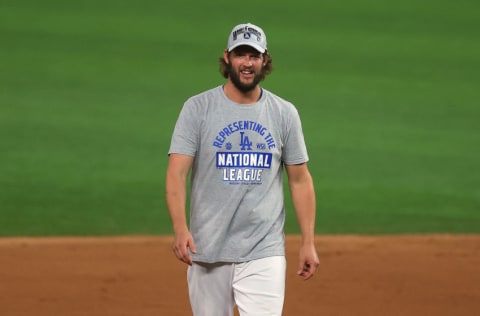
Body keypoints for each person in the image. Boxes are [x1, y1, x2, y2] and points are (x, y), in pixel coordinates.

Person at [166, 22, 319, 316]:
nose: (247, 63)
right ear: (227, 57)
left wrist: (308, 242)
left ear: (264, 60)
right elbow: (177, 172)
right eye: (240, 55)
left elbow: (300, 180)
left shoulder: (284, 113)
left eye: (254, 56)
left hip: (264, 249)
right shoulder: (198, 109)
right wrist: (180, 227)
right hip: (207, 247)